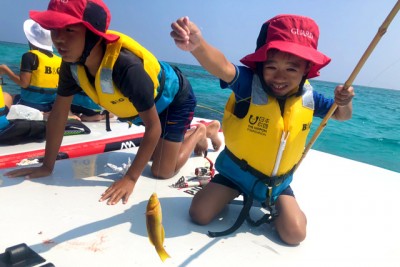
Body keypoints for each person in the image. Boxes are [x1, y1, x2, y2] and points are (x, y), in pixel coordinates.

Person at [5, 0, 221, 206]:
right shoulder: (72, 67)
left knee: (161, 171)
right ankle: (182, 138)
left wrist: (130, 178)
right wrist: (47, 165)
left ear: (93, 35)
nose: (58, 39)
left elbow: (153, 127)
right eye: (54, 29)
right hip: (149, 108)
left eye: (69, 30)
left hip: (175, 100)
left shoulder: (126, 68)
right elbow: (59, 115)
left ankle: (200, 132)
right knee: (156, 153)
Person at [170, 15, 355, 245]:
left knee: (295, 235)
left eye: (291, 69)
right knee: (198, 214)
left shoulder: (309, 97)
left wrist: (344, 102)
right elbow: (223, 67)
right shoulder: (248, 84)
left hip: (276, 184)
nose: (280, 77)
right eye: (271, 67)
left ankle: (270, 201)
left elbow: (341, 115)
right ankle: (227, 182)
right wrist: (198, 47)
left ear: (307, 68)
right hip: (236, 174)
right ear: (260, 65)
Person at [0, 19, 61, 117]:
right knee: (14, 96)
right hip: (49, 105)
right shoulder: (58, 60)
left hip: (30, 105)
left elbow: (24, 83)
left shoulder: (29, 56)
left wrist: (6, 70)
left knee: (6, 96)